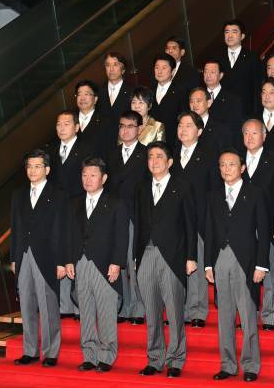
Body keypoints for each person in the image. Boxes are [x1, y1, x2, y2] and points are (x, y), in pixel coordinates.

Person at [205, 149, 270, 383]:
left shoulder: (255, 193)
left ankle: (251, 364)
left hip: (246, 260)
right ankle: (228, 364)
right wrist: (207, 265)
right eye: (222, 165)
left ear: (242, 168)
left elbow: (263, 232)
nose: (226, 169)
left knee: (248, 314)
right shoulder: (213, 195)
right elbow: (210, 230)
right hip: (220, 258)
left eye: (232, 164)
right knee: (224, 316)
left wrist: (262, 264)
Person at [134, 141, 197, 378]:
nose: (154, 161)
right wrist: (134, 258)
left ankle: (175, 360)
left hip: (173, 256)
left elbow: (190, 224)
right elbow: (139, 225)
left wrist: (191, 256)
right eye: (150, 157)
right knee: (151, 312)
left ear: (170, 162)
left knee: (174, 312)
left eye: (159, 156)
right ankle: (155, 358)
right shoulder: (140, 188)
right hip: (146, 255)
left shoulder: (182, 186)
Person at [65, 157, 129, 372]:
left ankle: (106, 356)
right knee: (86, 311)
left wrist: (117, 263)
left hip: (104, 264)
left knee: (106, 312)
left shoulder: (115, 202)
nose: (88, 179)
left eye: (93, 175)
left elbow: (121, 236)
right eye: (84, 175)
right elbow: (70, 235)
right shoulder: (74, 202)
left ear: (104, 178)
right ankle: (89, 355)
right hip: (80, 263)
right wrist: (68, 260)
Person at [10, 149, 67, 367]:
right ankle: (30, 350)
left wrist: (62, 260)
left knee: (48, 306)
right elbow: (15, 228)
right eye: (29, 166)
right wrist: (14, 257)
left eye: (37, 166)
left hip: (48, 257)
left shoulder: (58, 194)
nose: (32, 170)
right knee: (26, 304)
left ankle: (51, 353)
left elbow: (63, 230)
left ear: (47, 169)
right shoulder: (18, 195)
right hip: (23, 255)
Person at [171, 111, 219, 328]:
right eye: (180, 125)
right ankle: (177, 308)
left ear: (199, 131)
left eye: (188, 126)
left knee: (196, 263)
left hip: (199, 219)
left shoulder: (208, 156)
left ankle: (198, 310)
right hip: (174, 219)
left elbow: (214, 191)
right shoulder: (169, 155)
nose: (183, 129)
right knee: (175, 265)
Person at [46, 110, 92, 319]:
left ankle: (79, 305)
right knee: (58, 251)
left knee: (75, 252)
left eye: (66, 123)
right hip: (55, 210)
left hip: (79, 208)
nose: (62, 127)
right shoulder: (51, 152)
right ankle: (63, 305)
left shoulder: (86, 150)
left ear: (77, 127)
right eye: (58, 124)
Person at [241, 119, 274, 331]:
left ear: (264, 136)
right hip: (242, 229)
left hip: (268, 225)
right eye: (246, 133)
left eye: (255, 133)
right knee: (244, 274)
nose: (250, 137)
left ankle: (269, 316)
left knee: (269, 273)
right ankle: (247, 314)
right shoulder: (235, 161)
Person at [106, 110, 149, 325]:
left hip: (135, 215)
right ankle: (121, 307)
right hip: (113, 217)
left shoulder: (147, 154)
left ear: (140, 129)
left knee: (134, 263)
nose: (125, 130)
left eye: (130, 126)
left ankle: (138, 309)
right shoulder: (111, 154)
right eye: (122, 125)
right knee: (116, 261)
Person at [218, 19, 263, 114]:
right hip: (222, 110)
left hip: (245, 110)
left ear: (242, 36)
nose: (230, 35)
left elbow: (257, 87)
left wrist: (257, 112)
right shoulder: (217, 58)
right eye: (227, 32)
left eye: (234, 32)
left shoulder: (252, 57)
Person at [203, 60, 244, 148]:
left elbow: (236, 129)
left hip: (224, 146)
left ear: (221, 75)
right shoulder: (197, 97)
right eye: (205, 71)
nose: (208, 75)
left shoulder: (233, 99)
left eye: (212, 72)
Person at [150, 53, 187, 143]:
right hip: (152, 143)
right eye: (157, 67)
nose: (159, 71)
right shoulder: (149, 91)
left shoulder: (181, 92)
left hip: (174, 142)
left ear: (173, 71)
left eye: (164, 68)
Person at [75, 79, 117, 158]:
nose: (82, 98)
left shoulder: (107, 122)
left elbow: (111, 151)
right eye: (79, 94)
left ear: (95, 99)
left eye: (87, 94)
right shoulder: (69, 120)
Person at [188, 87, 231, 155]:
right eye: (191, 101)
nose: (194, 105)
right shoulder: (184, 126)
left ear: (209, 103)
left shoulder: (220, 128)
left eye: (198, 101)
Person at [96, 52, 134, 127]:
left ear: (123, 70)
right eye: (108, 65)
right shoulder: (98, 93)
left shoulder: (132, 91)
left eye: (115, 65)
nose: (111, 69)